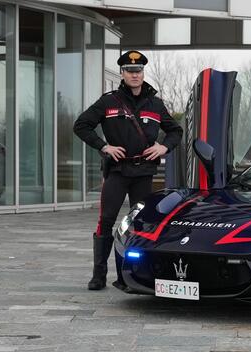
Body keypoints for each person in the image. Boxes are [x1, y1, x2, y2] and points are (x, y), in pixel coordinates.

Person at [74, 50, 183, 291]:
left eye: (139, 71)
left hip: (143, 173)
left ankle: (138, 276)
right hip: (117, 172)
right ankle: (99, 276)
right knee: (106, 221)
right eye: (130, 71)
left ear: (143, 73)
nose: (135, 75)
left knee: (142, 224)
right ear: (122, 73)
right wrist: (104, 146)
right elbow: (81, 125)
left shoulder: (155, 103)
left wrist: (164, 147)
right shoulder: (109, 101)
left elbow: (176, 131)